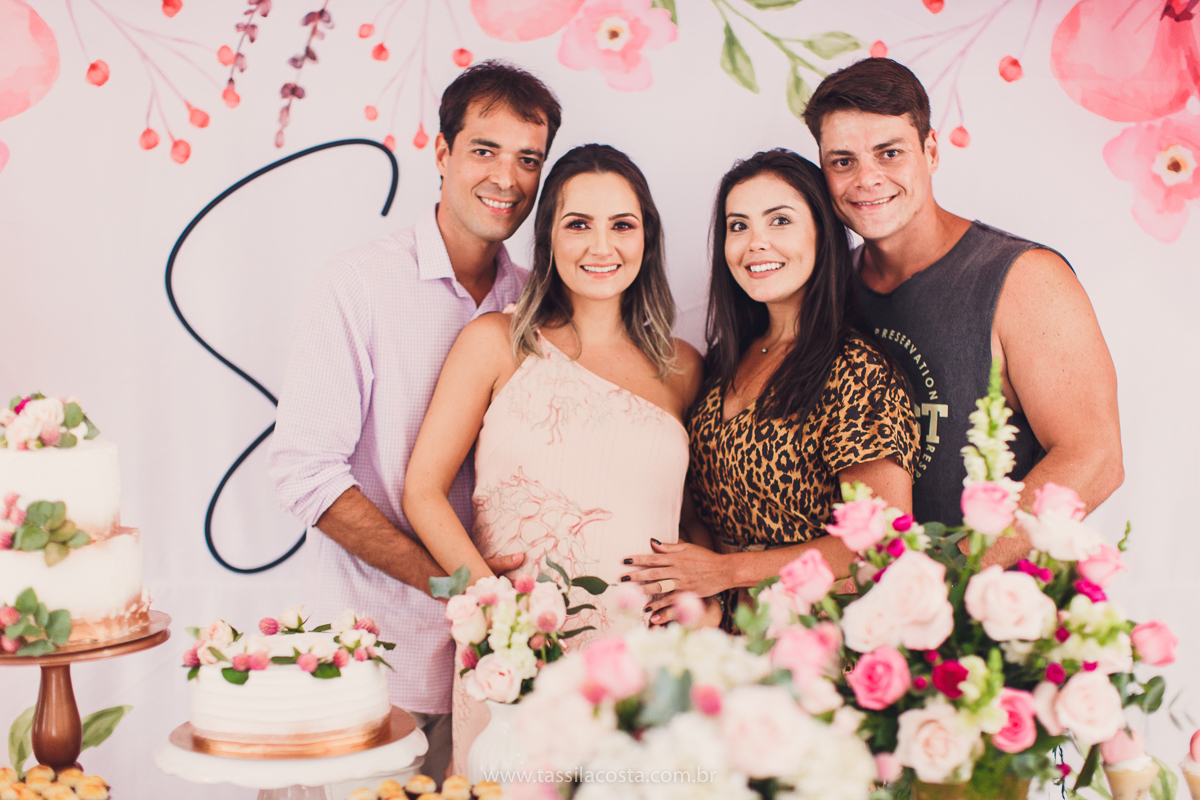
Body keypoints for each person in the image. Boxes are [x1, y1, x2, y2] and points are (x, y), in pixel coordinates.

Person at [267, 60, 562, 783]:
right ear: (441, 153)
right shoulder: (359, 285)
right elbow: (305, 477)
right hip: (368, 666)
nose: (507, 178)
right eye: (485, 150)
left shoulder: (537, 305)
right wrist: (453, 586)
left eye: (529, 160)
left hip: (493, 677)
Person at [402, 143, 702, 773]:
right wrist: (494, 610)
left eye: (622, 225)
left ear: (647, 237)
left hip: (643, 662)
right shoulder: (495, 343)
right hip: (516, 655)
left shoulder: (682, 368)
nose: (602, 246)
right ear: (547, 239)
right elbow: (423, 490)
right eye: (578, 224)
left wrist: (703, 597)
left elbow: (693, 512)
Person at [802, 58, 1123, 566]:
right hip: (851, 618)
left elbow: (1093, 458)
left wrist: (953, 581)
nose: (866, 179)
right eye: (842, 161)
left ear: (930, 151)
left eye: (890, 153)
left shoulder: (1022, 277)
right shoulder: (823, 287)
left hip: (983, 625)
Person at [623, 149, 920, 626]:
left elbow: (882, 542)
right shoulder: (723, 361)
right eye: (738, 226)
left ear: (823, 235)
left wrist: (727, 571)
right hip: (726, 643)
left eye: (779, 221)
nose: (754, 243)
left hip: (820, 642)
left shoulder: (856, 371)